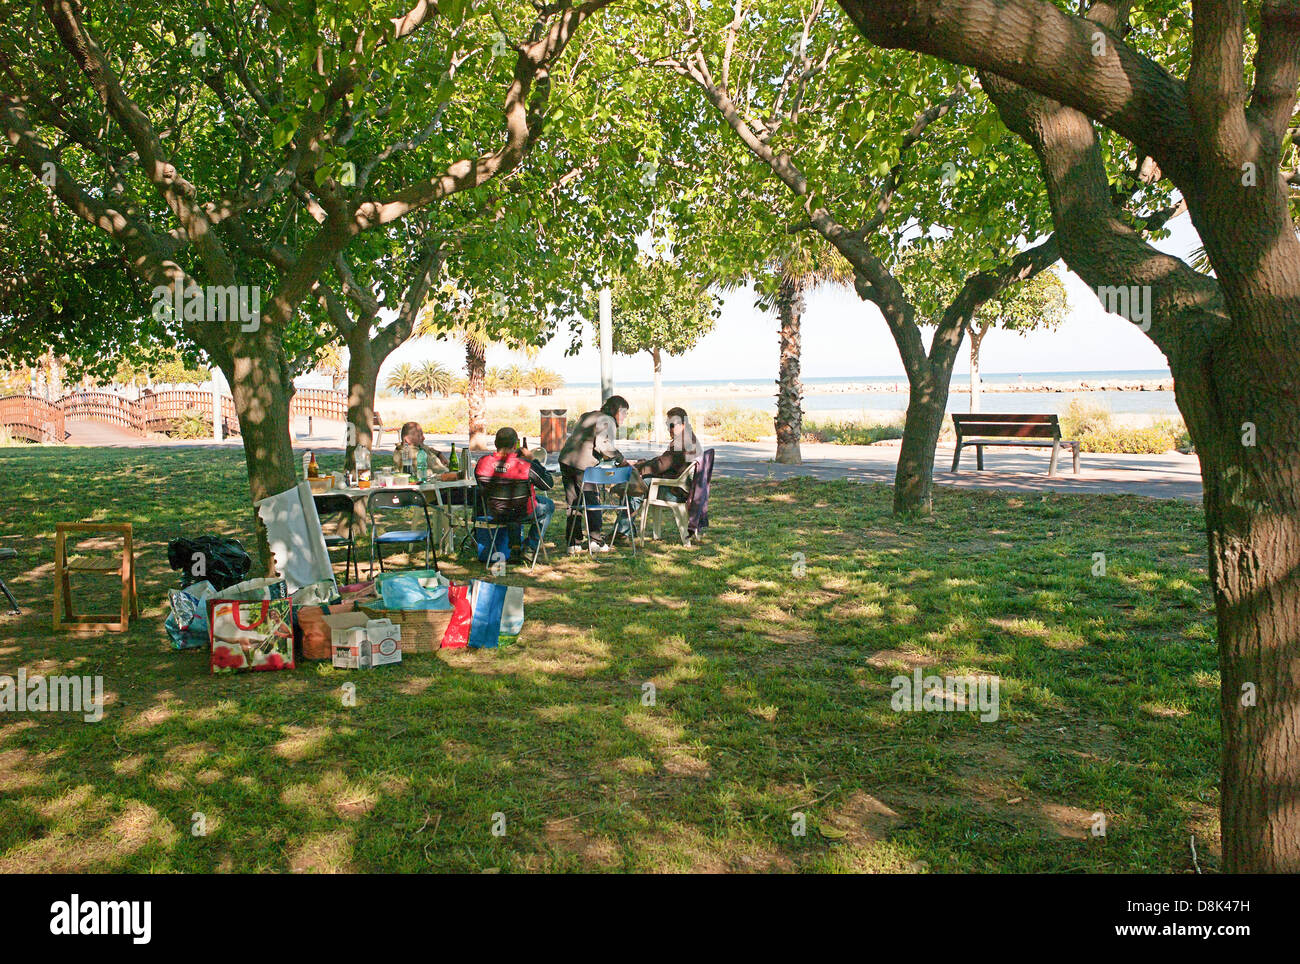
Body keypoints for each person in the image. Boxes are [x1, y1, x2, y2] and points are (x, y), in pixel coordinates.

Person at [614, 407, 702, 543]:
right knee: (637, 483)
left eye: (672, 425)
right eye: (668, 425)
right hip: (682, 487)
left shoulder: (682, 443)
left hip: (674, 491)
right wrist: (642, 463)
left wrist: (636, 468)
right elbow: (663, 461)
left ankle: (622, 532)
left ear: (683, 424)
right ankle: (625, 530)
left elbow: (660, 465)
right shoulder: (689, 438)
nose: (669, 429)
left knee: (633, 487)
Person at [558, 395, 629, 554]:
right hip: (582, 465)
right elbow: (603, 445)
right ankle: (595, 541)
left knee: (573, 502)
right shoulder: (608, 420)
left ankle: (573, 543)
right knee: (592, 501)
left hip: (565, 460)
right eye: (623, 413)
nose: (624, 417)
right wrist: (622, 460)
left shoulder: (588, 415)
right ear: (615, 411)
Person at [473, 427, 555, 558]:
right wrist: (533, 460)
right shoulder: (525, 465)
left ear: (495, 444)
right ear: (516, 444)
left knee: (519, 504)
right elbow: (548, 484)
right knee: (549, 505)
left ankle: (516, 547)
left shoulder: (483, 463)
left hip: (495, 512)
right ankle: (530, 547)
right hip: (522, 512)